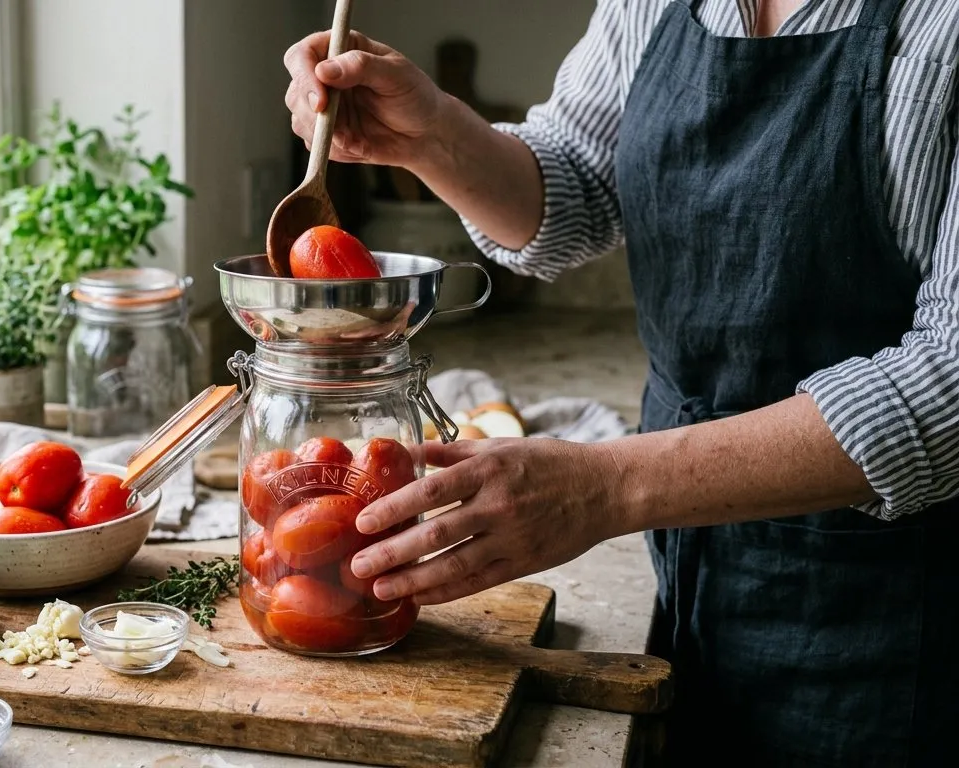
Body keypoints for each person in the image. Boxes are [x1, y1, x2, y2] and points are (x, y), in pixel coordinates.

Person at [283, 1, 959, 764]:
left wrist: (608, 487)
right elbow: (577, 188)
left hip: (907, 616)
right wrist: (434, 134)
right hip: (688, 571)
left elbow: (951, 383)